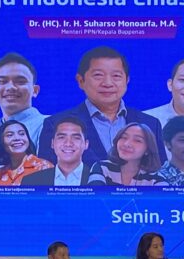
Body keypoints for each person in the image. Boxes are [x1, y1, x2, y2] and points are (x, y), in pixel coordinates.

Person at [37, 46, 166, 168]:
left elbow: (161, 174)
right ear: (81, 81)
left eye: (116, 76)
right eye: (98, 75)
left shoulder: (150, 124)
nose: (108, 83)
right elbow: (47, 176)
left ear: (127, 81)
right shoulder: (54, 124)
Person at [0, 53, 48, 168]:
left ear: (35, 91)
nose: (10, 87)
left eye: (20, 81)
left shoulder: (51, 124)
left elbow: (47, 174)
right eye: (2, 81)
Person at [86, 122, 166, 186]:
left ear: (147, 150)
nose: (127, 144)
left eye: (137, 140)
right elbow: (96, 199)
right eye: (124, 137)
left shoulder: (156, 179)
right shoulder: (102, 167)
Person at [21, 116, 92, 186]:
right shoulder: (31, 181)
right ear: (52, 143)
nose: (68, 144)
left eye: (76, 138)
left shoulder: (97, 179)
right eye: (61, 137)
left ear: (86, 144)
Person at [0, 119, 53, 186]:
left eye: (22, 134)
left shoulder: (44, 167)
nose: (17, 138)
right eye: (10, 135)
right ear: (1, 142)